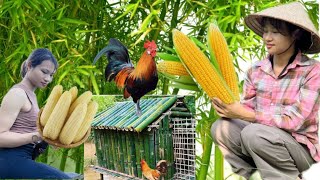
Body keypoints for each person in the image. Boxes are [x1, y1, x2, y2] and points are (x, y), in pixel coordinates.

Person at [211, 2, 320, 180]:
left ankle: (286, 176)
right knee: (221, 127)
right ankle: (254, 176)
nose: (267, 38)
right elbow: (246, 109)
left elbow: (295, 121)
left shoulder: (313, 71)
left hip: (299, 147)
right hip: (259, 138)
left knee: (253, 133)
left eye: (275, 32)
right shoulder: (255, 70)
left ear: (295, 34)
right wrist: (228, 108)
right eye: (265, 31)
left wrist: (249, 116)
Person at [0, 48, 76, 179]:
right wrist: (37, 136)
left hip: (24, 158)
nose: (48, 79)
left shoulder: (32, 96)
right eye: (44, 72)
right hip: (9, 159)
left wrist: (51, 140)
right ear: (30, 66)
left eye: (51, 75)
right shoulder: (17, 94)